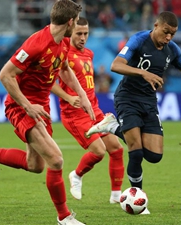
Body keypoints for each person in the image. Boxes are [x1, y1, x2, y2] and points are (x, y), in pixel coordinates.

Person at [0, 1, 94, 224]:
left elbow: (65, 69)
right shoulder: (36, 44)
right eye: (77, 22)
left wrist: (82, 95)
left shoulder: (64, 42)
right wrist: (28, 106)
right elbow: (5, 75)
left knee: (35, 166)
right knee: (56, 160)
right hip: (21, 106)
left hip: (41, 107)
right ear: (70, 22)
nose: (78, 27)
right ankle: (65, 217)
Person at [86, 11, 181, 214]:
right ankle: (138, 199)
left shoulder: (172, 50)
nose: (168, 37)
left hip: (149, 102)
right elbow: (115, 65)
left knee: (154, 155)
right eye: (166, 32)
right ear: (156, 26)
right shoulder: (139, 40)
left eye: (173, 34)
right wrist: (144, 73)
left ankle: (113, 127)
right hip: (127, 98)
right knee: (136, 152)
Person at [51, 17, 124, 204]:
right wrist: (68, 98)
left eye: (86, 33)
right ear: (70, 33)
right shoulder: (63, 53)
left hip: (94, 110)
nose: (83, 38)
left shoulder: (89, 54)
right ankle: (76, 175)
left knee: (116, 148)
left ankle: (116, 196)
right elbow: (49, 82)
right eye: (79, 34)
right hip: (74, 114)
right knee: (99, 151)